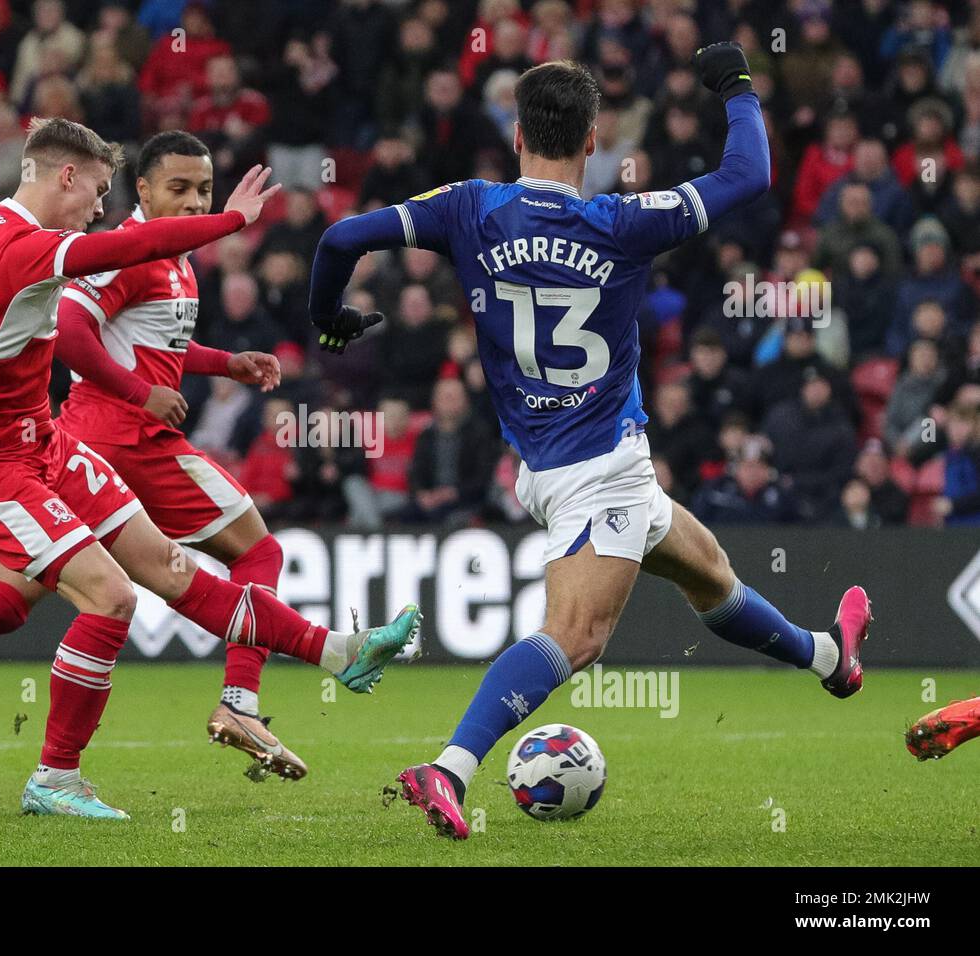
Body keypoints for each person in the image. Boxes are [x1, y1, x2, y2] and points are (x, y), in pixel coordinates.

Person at [306, 47, 872, 840]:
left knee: (709, 574)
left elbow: (339, 238)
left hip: (555, 461)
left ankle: (829, 659)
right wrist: (737, 89)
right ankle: (449, 769)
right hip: (596, 466)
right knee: (577, 637)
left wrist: (330, 318)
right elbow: (748, 177)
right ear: (596, 138)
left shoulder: (468, 208)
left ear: (516, 135)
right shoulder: (623, 221)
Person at [0, 118, 419, 819]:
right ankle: (53, 778)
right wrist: (233, 218)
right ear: (65, 177)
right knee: (112, 598)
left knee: (159, 570)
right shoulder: (30, 248)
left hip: (47, 444)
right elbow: (135, 244)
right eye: (98, 191)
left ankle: (339, 653)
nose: (98, 207)